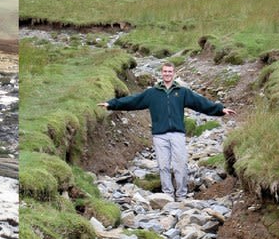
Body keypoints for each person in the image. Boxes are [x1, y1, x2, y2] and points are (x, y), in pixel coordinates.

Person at [99, 61, 236, 200]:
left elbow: (200, 103)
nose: (167, 74)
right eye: (165, 71)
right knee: (163, 166)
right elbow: (133, 101)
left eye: (170, 72)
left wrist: (220, 109)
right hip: (159, 135)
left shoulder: (182, 92)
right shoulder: (152, 93)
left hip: (177, 134)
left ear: (174, 73)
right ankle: (168, 195)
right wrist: (111, 104)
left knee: (180, 165)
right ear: (161, 73)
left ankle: (181, 194)